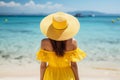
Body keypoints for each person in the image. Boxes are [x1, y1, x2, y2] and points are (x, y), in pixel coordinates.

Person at [36, 12, 86, 80]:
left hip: (50, 75)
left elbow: (43, 66)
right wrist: (77, 79)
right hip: (67, 75)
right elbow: (73, 65)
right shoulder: (73, 42)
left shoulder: (44, 43)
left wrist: (41, 79)